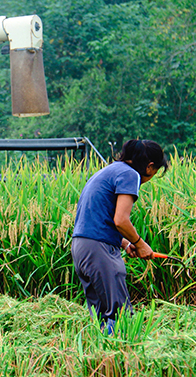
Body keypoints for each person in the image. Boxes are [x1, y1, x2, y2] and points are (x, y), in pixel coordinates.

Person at [72, 139, 168, 333]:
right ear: (150, 167)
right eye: (155, 173)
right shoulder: (130, 174)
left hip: (81, 247)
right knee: (121, 316)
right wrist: (140, 244)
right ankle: (123, 357)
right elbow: (121, 221)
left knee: (100, 315)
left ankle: (99, 356)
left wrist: (124, 244)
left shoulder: (108, 171)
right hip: (99, 250)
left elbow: (98, 218)